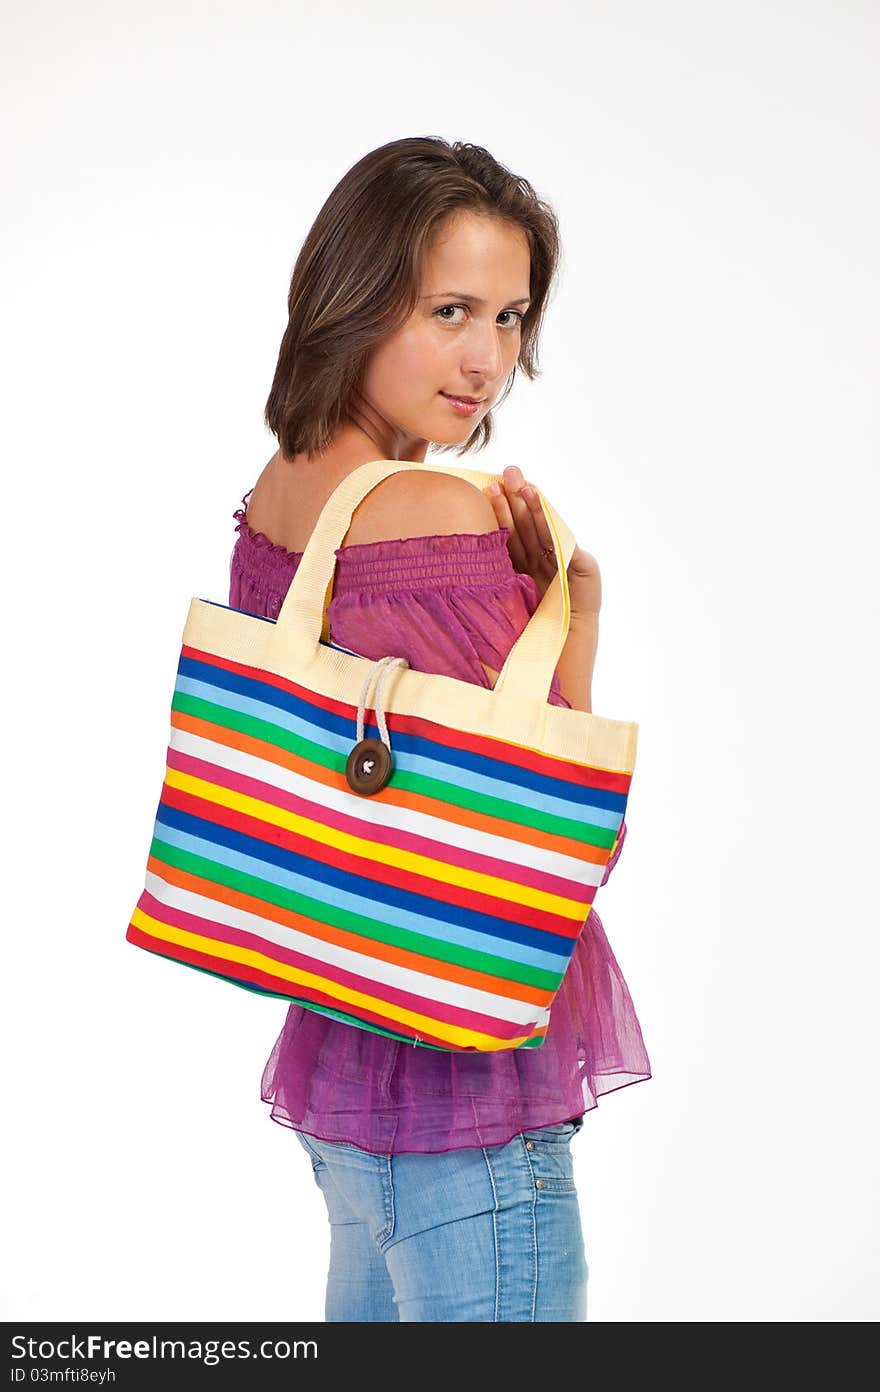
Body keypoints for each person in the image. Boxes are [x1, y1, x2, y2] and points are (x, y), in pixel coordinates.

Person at [228, 136, 652, 1322]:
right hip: (474, 1108)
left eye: (511, 317)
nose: (487, 361)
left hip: (350, 1088)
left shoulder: (284, 495)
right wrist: (576, 620)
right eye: (450, 309)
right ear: (352, 297)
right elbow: (557, 858)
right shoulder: (430, 510)